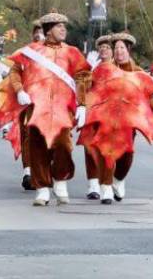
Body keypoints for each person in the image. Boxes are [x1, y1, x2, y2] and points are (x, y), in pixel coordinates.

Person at [9, 12, 91, 207]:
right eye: (58, 26)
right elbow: (15, 70)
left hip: (63, 109)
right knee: (37, 147)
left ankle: (60, 181)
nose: (63, 29)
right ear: (48, 30)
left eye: (64, 26)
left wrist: (81, 103)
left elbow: (83, 77)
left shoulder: (72, 52)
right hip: (37, 108)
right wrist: (19, 90)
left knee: (63, 144)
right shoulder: (32, 51)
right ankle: (42, 188)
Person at [78, 32, 153, 204]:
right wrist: (82, 104)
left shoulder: (137, 71)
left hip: (129, 121)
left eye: (121, 48)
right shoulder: (105, 69)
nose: (118, 51)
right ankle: (106, 187)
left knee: (127, 155)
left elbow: (149, 95)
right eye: (116, 48)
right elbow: (87, 83)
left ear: (128, 50)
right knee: (107, 152)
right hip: (108, 118)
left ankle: (118, 180)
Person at [84, 36, 115, 199]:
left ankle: (107, 186)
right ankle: (93, 184)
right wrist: (88, 68)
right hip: (92, 113)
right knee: (90, 148)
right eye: (101, 47)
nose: (104, 50)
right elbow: (84, 86)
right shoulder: (92, 68)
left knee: (108, 150)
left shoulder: (117, 68)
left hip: (110, 115)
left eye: (107, 48)